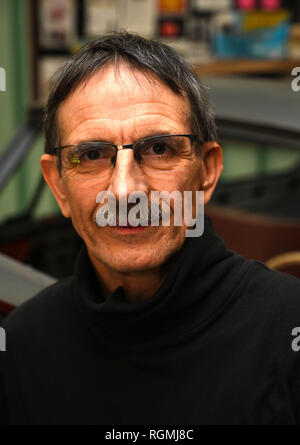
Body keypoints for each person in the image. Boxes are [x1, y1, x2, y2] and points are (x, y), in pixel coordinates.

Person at [1, 32, 300, 426]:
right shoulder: (22, 346)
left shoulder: (286, 329)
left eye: (159, 149)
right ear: (58, 186)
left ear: (206, 172)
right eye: (91, 155)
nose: (125, 191)